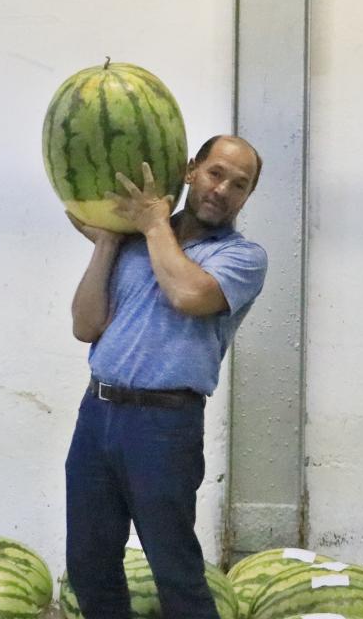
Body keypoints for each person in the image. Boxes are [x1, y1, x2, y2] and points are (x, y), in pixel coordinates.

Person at [64, 134, 268, 618]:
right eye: (215, 173)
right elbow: (85, 326)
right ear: (191, 171)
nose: (222, 190)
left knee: (174, 568)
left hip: (164, 427)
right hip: (97, 414)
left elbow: (189, 295)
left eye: (239, 184)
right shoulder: (133, 245)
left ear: (246, 197)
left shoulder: (242, 257)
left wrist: (155, 223)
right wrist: (108, 242)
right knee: (89, 563)